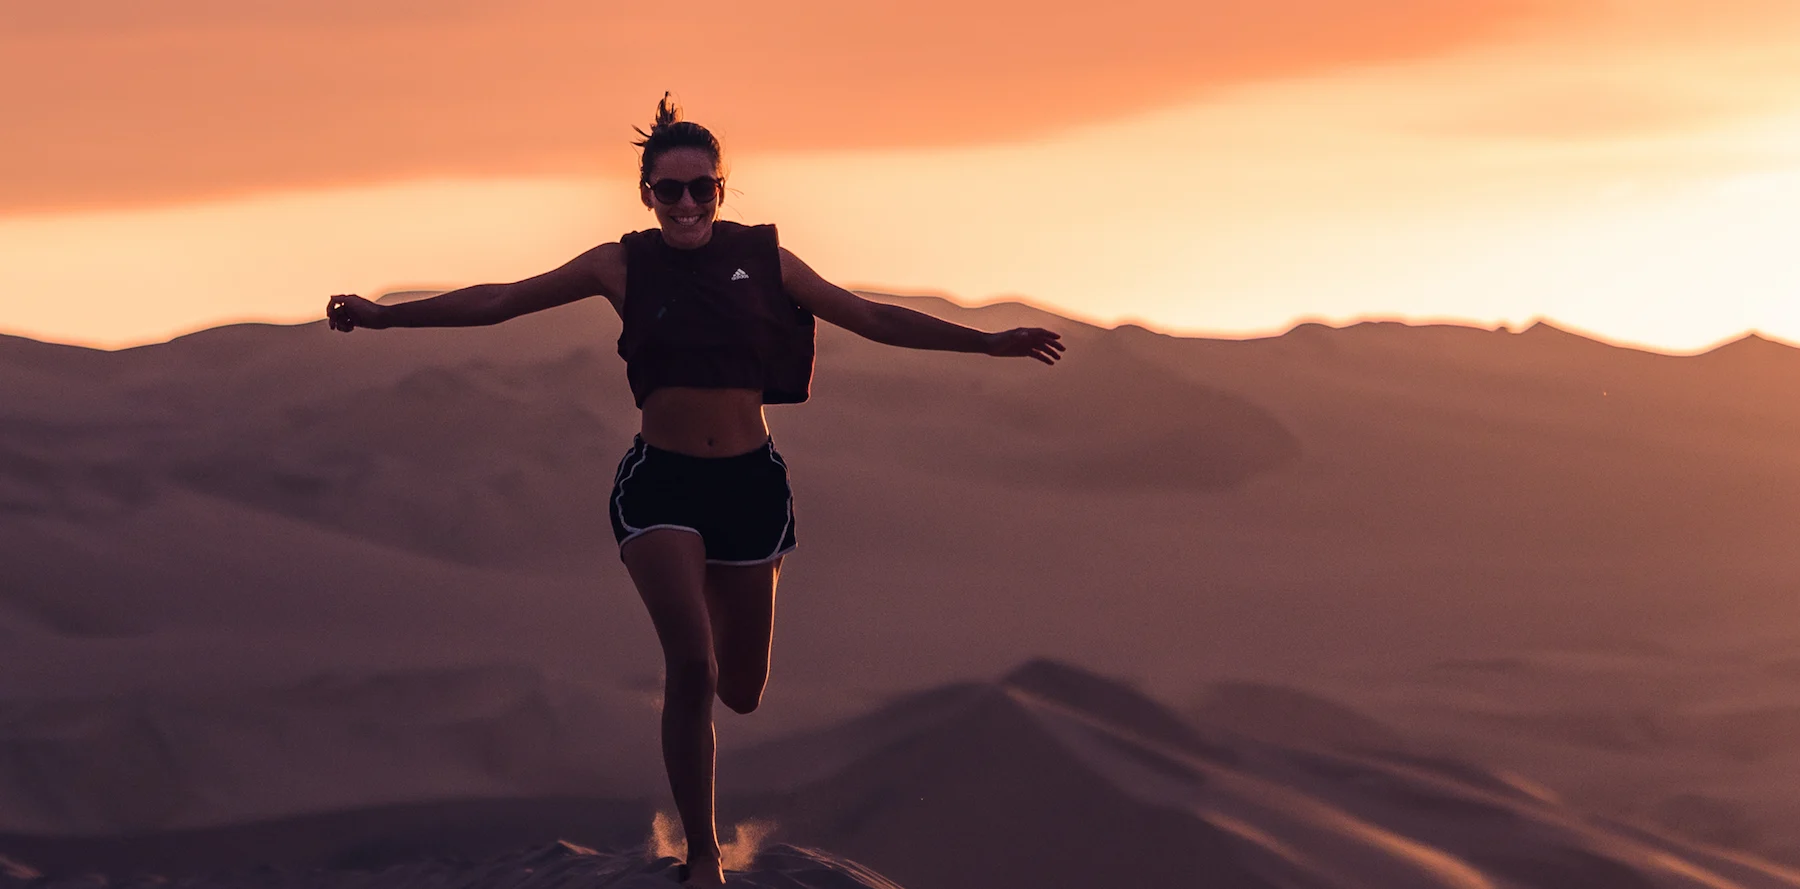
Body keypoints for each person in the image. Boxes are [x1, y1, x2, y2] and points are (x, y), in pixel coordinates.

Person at [324, 94, 1064, 886]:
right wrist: (384, 317)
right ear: (646, 192)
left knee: (742, 690)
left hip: (750, 488)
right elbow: (502, 300)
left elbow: (872, 317)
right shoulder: (620, 263)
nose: (684, 203)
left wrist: (987, 342)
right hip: (661, 485)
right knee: (694, 667)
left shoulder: (768, 259)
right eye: (668, 189)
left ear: (721, 188)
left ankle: (718, 639)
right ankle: (704, 852)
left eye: (699, 188)